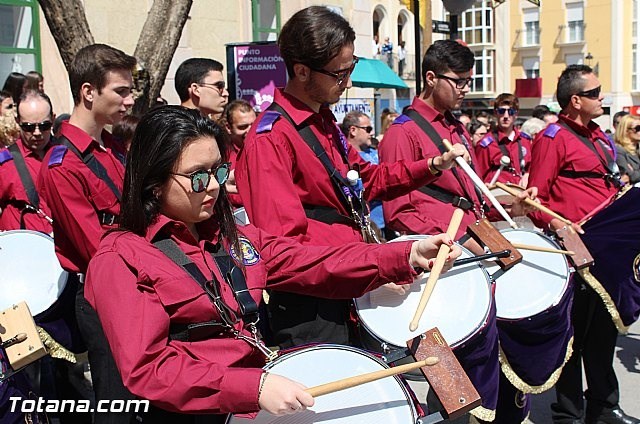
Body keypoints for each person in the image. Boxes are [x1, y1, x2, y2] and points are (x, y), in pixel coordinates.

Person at [84, 105, 461, 421]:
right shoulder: (121, 259)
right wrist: (253, 387)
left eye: (218, 171)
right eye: (197, 178)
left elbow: (314, 261)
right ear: (153, 183)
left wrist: (406, 254)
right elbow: (149, 369)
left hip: (255, 396)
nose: (214, 187)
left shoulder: (230, 237)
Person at [236, 6, 468, 349]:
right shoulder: (271, 138)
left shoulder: (324, 121)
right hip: (312, 309)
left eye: (351, 67)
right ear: (301, 71)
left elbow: (366, 180)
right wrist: (388, 261)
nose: (348, 81)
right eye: (339, 73)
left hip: (351, 281)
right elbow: (283, 256)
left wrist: (432, 164)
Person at [379, 39, 539, 424]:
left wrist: (511, 200)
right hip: (444, 265)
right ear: (431, 78)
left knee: (497, 356)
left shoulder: (456, 127)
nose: (466, 89)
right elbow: (398, 213)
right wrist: (455, 240)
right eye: (460, 81)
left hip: (477, 249)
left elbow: (470, 191)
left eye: (470, 81)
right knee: (454, 382)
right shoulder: (403, 133)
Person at [527, 64, 639, 424]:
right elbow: (534, 200)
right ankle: (568, 412)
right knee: (574, 338)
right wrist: (560, 227)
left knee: (605, 335)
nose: (601, 97)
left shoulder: (600, 136)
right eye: (594, 93)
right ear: (575, 100)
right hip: (575, 252)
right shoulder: (552, 138)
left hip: (608, 252)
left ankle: (604, 407)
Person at [37, 43, 137, 424]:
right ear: (89, 92)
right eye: (121, 91)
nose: (129, 101)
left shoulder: (111, 147)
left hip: (135, 280)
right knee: (118, 403)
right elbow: (97, 249)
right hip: (104, 289)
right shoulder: (61, 165)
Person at [0, 90, 54, 233]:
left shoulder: (67, 155)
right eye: (28, 127)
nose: (37, 133)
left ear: (53, 119)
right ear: (18, 122)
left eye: (44, 126)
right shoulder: (5, 162)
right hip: (21, 249)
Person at [342, 111, 385, 237]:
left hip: (385, 223)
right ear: (353, 130)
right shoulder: (345, 160)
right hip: (368, 226)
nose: (371, 133)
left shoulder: (374, 152)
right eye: (368, 129)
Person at [474, 93, 531, 187]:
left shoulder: (525, 141)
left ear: (516, 114)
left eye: (511, 111)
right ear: (495, 113)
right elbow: (478, 177)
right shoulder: (485, 145)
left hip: (521, 196)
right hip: (498, 198)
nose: (506, 116)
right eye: (501, 111)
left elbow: (532, 168)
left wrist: (528, 175)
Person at [223, 99, 256, 207]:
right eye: (243, 127)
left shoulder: (267, 149)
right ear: (228, 128)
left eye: (253, 125)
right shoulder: (220, 154)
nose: (250, 131)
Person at [174, 58, 229, 122]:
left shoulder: (206, 126)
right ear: (196, 89)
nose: (226, 93)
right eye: (219, 86)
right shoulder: (176, 128)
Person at [613, 114, 640, 185]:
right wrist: (633, 174)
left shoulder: (637, 149)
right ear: (625, 130)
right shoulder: (619, 151)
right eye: (638, 128)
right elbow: (632, 176)